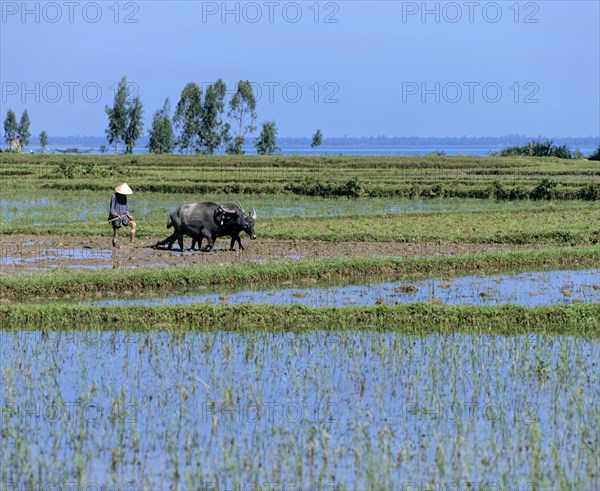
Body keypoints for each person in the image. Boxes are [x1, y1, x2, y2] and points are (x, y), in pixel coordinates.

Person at [108, 183, 137, 247]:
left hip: (124, 217)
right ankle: (114, 248)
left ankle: (132, 243)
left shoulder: (124, 197)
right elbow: (112, 209)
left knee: (134, 225)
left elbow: (126, 209)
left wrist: (129, 215)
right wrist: (116, 215)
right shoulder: (114, 196)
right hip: (116, 218)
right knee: (116, 234)